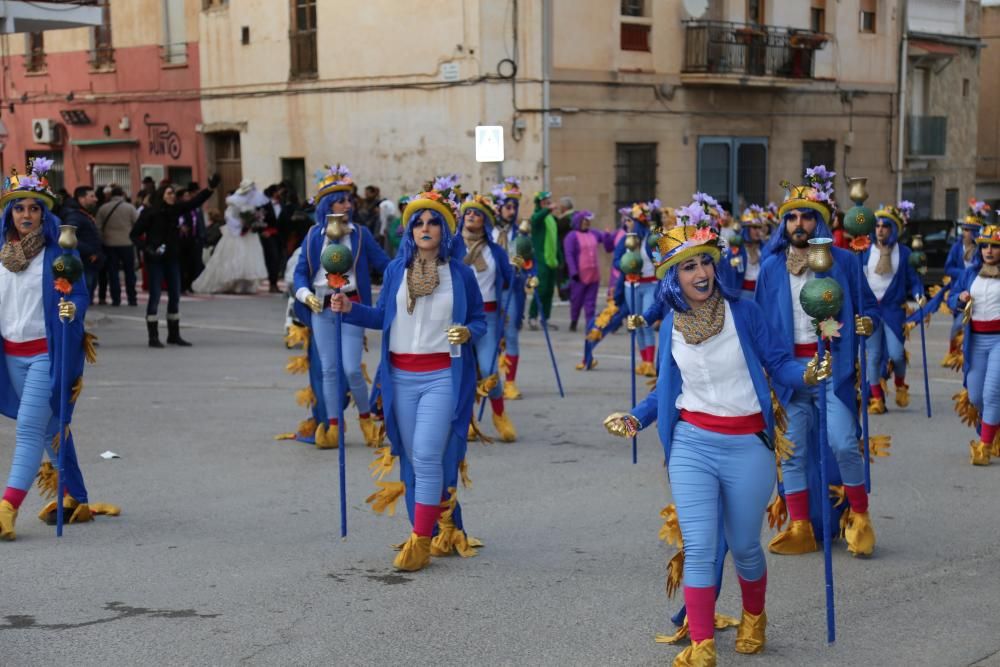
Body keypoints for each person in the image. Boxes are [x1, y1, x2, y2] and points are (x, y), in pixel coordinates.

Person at [603, 216, 824, 666]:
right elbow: (665, 388)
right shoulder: (670, 325)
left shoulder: (744, 312)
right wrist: (635, 419)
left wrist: (806, 373)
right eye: (689, 267)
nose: (701, 273)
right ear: (672, 276)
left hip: (748, 444)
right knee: (701, 546)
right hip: (692, 445)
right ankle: (702, 644)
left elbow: (779, 363)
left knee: (743, 546)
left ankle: (754, 616)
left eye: (706, 262)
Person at [331, 180, 485, 571]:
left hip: (441, 378)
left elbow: (480, 322)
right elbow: (384, 318)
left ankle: (420, 540)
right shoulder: (398, 269)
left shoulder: (461, 274)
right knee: (410, 461)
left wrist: (467, 332)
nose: (426, 228)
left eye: (434, 222)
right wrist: (349, 308)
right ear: (410, 229)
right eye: (419, 222)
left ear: (445, 229)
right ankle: (430, 528)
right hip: (399, 378)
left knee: (427, 454)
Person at [754, 166, 881, 558]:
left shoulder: (842, 261)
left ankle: (860, 517)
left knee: (844, 443)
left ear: (820, 220)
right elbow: (760, 325)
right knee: (791, 453)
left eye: (806, 215)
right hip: (790, 376)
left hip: (832, 373)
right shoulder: (772, 267)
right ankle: (800, 527)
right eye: (791, 216)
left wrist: (866, 322)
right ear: (783, 224)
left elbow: (869, 308)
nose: (799, 223)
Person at [0, 159, 119, 540]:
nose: (27, 215)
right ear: (9, 213)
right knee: (53, 428)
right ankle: (76, 497)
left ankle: (7, 508)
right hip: (9, 355)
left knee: (30, 430)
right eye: (19, 208)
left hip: (45, 355)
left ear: (44, 213)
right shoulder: (2, 255)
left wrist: (72, 308)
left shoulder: (58, 255)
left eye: (34, 208)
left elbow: (79, 296)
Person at [291, 164, 390, 449]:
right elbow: (300, 273)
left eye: (349, 199)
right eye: (341, 200)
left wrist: (412, 268)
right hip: (321, 308)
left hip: (352, 306)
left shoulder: (360, 234)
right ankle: (334, 425)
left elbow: (384, 264)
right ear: (326, 205)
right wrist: (304, 295)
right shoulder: (312, 236)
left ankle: (366, 418)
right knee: (329, 370)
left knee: (352, 369)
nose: (348, 204)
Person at [453, 193, 516, 442]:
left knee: (489, 369)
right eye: (468, 212)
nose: (471, 216)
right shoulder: (452, 246)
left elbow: (508, 280)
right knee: (463, 370)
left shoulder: (496, 251)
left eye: (477, 213)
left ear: (486, 221)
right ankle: (466, 418)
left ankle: (499, 414)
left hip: (488, 317)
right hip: (460, 317)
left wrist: (519, 271)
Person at [130, 175, 220, 347]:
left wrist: (209, 189)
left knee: (174, 295)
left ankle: (174, 334)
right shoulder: (150, 213)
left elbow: (194, 203)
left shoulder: (175, 210)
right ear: (162, 195)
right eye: (169, 193)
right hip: (155, 259)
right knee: (155, 296)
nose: (173, 196)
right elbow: (134, 235)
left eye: (173, 193)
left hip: (172, 258)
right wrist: (146, 247)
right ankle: (153, 336)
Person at [862, 201, 924, 413]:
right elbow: (858, 281)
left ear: (893, 229)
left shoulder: (904, 253)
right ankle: (877, 399)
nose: (880, 230)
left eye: (885, 226)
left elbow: (914, 280)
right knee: (874, 355)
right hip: (870, 310)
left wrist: (919, 295)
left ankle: (899, 384)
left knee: (897, 354)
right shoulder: (864, 252)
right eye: (877, 226)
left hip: (893, 310)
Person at [950, 224, 1000, 465]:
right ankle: (993, 422)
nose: (989, 251)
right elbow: (952, 297)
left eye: (995, 247)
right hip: (975, 341)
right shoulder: (970, 273)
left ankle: (985, 446)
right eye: (985, 246)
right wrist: (959, 299)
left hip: (999, 340)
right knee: (976, 396)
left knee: (992, 393)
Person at [192, 180, 268, 295]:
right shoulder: (234, 202)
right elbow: (229, 216)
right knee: (235, 257)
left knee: (248, 258)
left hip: (248, 235)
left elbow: (254, 216)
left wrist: (252, 223)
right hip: (235, 234)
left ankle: (244, 285)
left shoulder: (251, 203)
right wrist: (241, 225)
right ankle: (232, 283)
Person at [491, 178, 531, 399]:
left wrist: (529, 275)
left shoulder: (521, 234)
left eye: (514, 207)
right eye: (508, 206)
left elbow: (529, 259)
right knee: (491, 336)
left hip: (511, 290)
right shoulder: (488, 233)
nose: (512, 211)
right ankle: (491, 379)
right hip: (489, 290)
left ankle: (511, 382)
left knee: (511, 334)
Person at [613, 200, 662, 377]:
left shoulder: (651, 239)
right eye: (626, 221)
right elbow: (616, 260)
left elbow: (660, 259)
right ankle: (643, 361)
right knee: (635, 322)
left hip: (650, 284)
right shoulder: (625, 240)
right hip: (631, 285)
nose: (627, 223)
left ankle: (650, 361)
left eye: (630, 220)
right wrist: (627, 265)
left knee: (645, 321)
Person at [942, 200, 991, 370]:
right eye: (963, 229)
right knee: (958, 324)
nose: (965, 233)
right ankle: (952, 353)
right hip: (962, 288)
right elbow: (948, 267)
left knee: (969, 325)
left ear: (976, 232)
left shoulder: (982, 248)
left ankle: (969, 354)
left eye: (969, 230)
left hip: (980, 288)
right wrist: (962, 273)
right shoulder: (957, 247)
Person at [563, 210, 615, 331]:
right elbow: (569, 255)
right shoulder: (571, 236)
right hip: (579, 275)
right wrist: (573, 271)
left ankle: (590, 323)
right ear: (578, 222)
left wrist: (608, 235)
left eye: (588, 221)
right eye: (584, 221)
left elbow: (607, 243)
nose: (587, 223)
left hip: (593, 274)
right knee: (576, 300)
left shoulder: (594, 233)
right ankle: (574, 320)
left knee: (590, 301)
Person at [96, 185, 139, 307]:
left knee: (113, 272)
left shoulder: (103, 208)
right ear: (122, 195)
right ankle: (132, 298)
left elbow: (98, 227)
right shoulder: (130, 208)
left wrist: (103, 239)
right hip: (127, 243)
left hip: (109, 244)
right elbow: (137, 223)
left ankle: (116, 299)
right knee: (129, 272)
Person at [60, 186, 103, 305]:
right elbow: (68, 237)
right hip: (83, 263)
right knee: (81, 299)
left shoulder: (82, 214)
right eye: (92, 196)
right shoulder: (74, 216)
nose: (96, 199)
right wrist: (90, 251)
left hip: (89, 262)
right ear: (81, 199)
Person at [720, 205, 767, 299]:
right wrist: (735, 261)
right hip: (743, 294)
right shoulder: (737, 248)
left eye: (759, 227)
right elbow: (729, 269)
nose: (758, 231)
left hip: (762, 294)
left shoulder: (764, 247)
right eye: (754, 228)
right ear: (746, 229)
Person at [528, 191, 559, 329]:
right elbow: (535, 219)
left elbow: (554, 240)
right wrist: (546, 210)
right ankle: (532, 317)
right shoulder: (538, 217)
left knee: (550, 291)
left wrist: (560, 257)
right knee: (540, 289)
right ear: (539, 203)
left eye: (548, 200)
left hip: (551, 260)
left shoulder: (551, 218)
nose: (548, 202)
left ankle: (545, 318)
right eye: (545, 200)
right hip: (541, 260)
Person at [260, 184, 288, 293]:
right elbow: (258, 219)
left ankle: (274, 282)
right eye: (278, 191)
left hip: (280, 236)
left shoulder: (282, 205)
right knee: (273, 258)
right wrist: (262, 231)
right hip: (269, 236)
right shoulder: (265, 205)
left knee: (279, 258)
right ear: (273, 193)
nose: (280, 193)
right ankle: (272, 283)